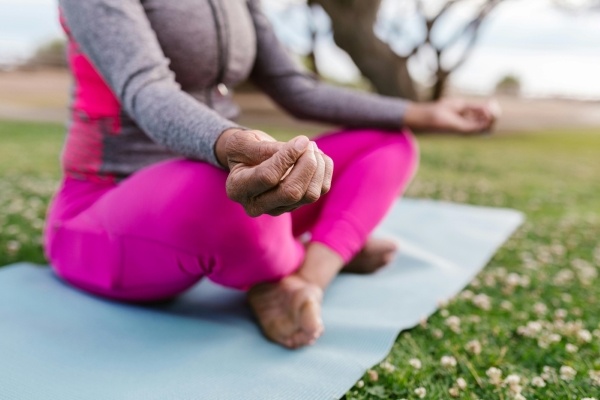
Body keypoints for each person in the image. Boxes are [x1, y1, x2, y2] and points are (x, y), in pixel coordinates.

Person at [46, 0, 497, 349]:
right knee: (215, 189)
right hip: (106, 211)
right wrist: (231, 144)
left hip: (226, 185)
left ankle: (305, 279)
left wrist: (422, 111)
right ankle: (309, 250)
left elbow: (293, 86)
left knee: (388, 142)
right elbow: (147, 90)